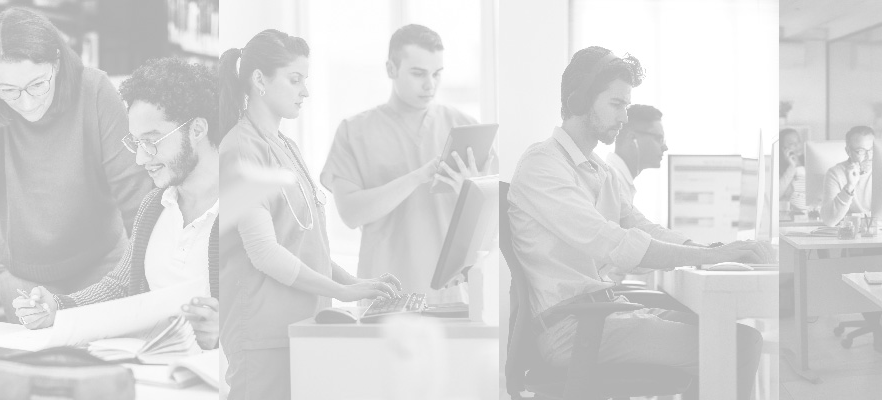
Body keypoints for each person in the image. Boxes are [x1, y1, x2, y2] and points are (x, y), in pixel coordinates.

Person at [506, 46, 770, 399]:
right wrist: (710, 258)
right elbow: (612, 241)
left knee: (735, 336)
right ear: (581, 100)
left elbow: (643, 227)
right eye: (617, 104)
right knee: (736, 346)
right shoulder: (542, 165)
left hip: (597, 316)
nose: (624, 116)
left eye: (627, 106)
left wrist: (710, 250)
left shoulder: (597, 169)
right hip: (570, 330)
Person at [217, 29, 402, 400]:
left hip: (303, 326)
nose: (306, 91)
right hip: (264, 335)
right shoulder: (240, 149)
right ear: (259, 80)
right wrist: (341, 291)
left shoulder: (286, 146)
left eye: (306, 80)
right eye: (295, 79)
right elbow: (265, 253)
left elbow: (305, 244)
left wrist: (357, 283)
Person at [0, 8, 153, 321]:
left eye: (37, 84)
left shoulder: (95, 92)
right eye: (9, 91)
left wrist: (148, 283)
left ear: (56, 63)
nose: (27, 103)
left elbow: (137, 198)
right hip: (23, 276)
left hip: (104, 266)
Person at [8, 58, 220, 350]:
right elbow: (119, 286)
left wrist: (225, 333)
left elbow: (284, 313)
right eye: (136, 143)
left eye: (151, 141)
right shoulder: (156, 206)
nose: (141, 159)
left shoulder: (245, 209)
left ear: (196, 130)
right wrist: (59, 307)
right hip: (151, 370)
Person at [319, 24, 492, 297]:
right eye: (418, 73)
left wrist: (468, 192)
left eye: (437, 74)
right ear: (390, 69)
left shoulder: (465, 128)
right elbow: (351, 213)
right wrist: (416, 177)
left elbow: (491, 227)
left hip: (452, 294)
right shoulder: (354, 132)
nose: (430, 84)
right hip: (385, 293)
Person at [606, 104, 669, 201]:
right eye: (658, 139)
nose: (665, 147)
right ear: (632, 138)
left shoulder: (619, 181)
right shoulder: (611, 182)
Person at [820, 126, 875, 226]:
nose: (869, 156)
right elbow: (829, 221)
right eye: (861, 151)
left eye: (872, 149)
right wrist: (849, 187)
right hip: (848, 234)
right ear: (848, 151)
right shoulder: (835, 173)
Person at [779, 128, 807, 216]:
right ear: (783, 148)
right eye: (792, 144)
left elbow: (809, 192)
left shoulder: (809, 160)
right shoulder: (777, 166)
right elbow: (777, 194)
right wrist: (792, 167)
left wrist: (798, 166)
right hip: (787, 216)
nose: (797, 145)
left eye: (798, 141)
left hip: (808, 214)